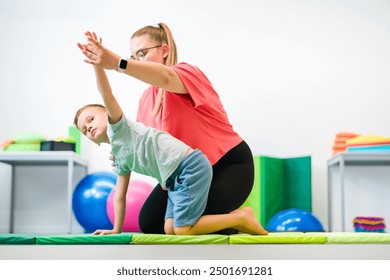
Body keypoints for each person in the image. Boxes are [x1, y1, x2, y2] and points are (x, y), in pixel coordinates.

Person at [74, 40, 268, 236]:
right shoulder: (140, 111)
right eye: (84, 129)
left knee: (183, 227)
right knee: (158, 226)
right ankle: (232, 223)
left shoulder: (182, 73)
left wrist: (101, 64)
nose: (88, 127)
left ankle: (240, 218)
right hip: (177, 175)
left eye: (142, 53)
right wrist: (116, 229)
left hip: (214, 164)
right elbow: (121, 193)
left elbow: (107, 94)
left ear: (164, 50)